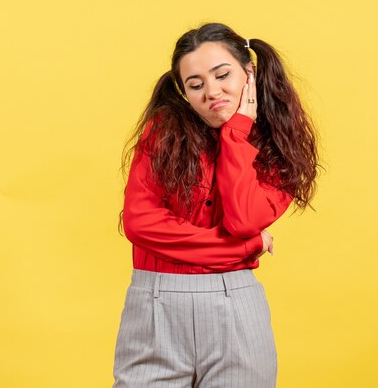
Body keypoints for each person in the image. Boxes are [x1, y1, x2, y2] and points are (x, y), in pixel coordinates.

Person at [112, 22, 319, 388]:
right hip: (155, 310)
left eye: (222, 75)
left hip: (235, 309)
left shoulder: (279, 150)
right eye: (195, 85)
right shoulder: (163, 131)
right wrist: (247, 248)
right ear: (185, 93)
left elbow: (241, 220)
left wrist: (237, 133)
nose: (212, 91)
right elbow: (141, 224)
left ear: (249, 72)